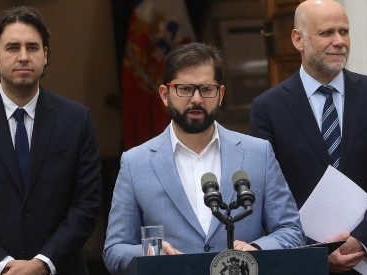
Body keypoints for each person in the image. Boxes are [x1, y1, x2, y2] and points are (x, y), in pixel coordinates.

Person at [103, 42, 305, 274]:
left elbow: (291, 230)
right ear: (164, 94)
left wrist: (258, 249)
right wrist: (150, 253)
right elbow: (114, 250)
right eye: (185, 89)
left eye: (206, 89)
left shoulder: (258, 153)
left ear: (220, 95)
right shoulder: (135, 163)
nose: (196, 99)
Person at [0, 6, 102, 274]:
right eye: (12, 47)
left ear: (45, 56)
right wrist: (1, 264)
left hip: (59, 268)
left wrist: (43, 262)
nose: (23, 57)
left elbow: (87, 205)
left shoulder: (76, 120)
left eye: (33, 47)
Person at [250, 1, 367, 274]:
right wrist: (316, 250)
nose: (340, 42)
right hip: (305, 262)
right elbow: (268, 193)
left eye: (344, 32)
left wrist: (362, 239)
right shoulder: (268, 108)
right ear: (298, 39)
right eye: (327, 33)